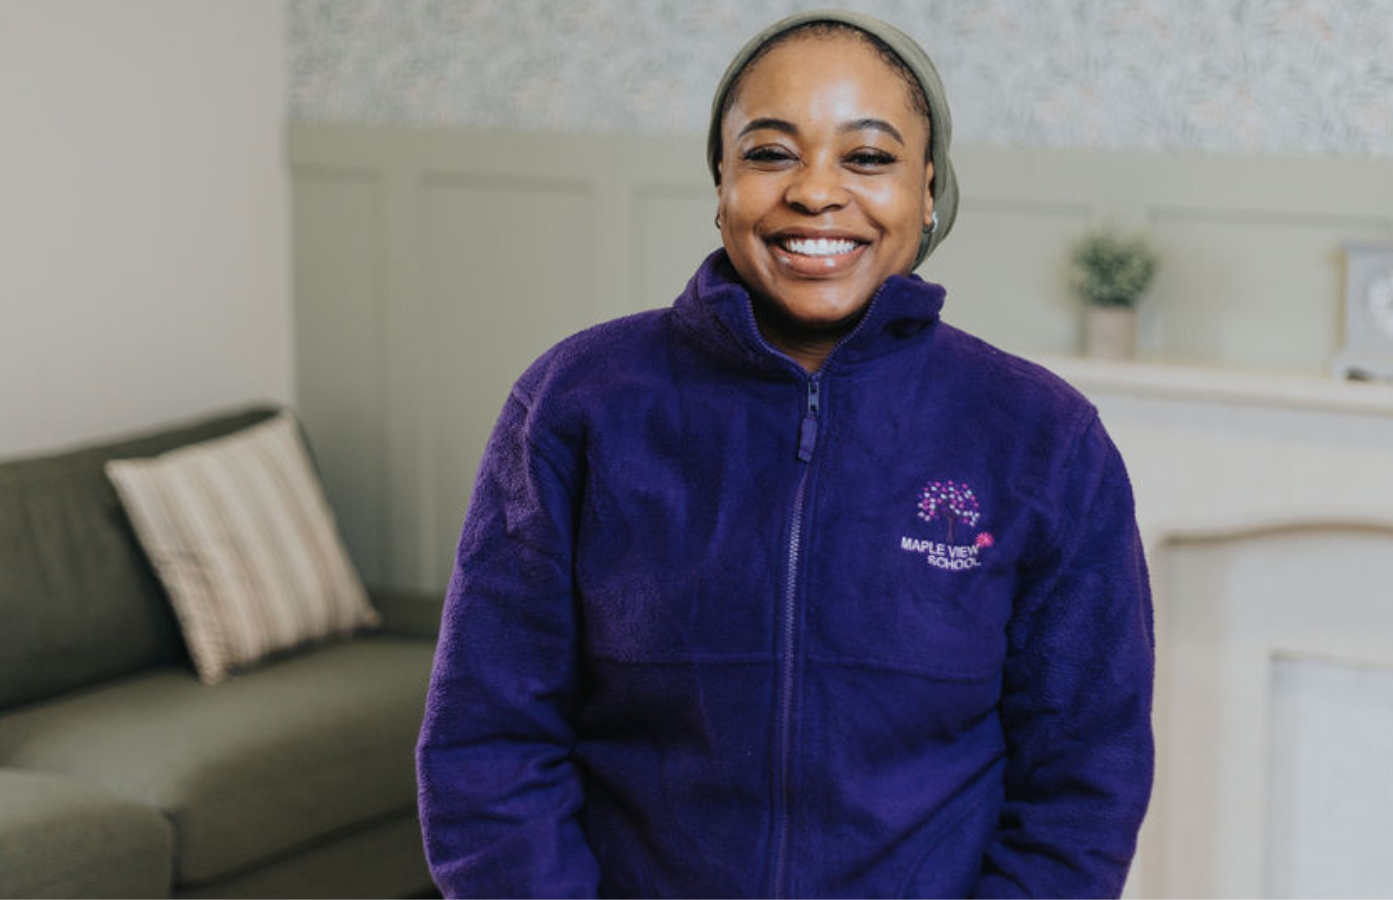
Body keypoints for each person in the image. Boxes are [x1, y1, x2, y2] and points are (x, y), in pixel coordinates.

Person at [416, 9, 1154, 898]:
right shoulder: (575, 403)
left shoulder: (1044, 437)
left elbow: (1084, 779)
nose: (815, 191)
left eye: (868, 157)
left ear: (928, 191)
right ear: (721, 182)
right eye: (770, 153)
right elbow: (489, 742)